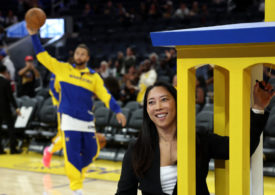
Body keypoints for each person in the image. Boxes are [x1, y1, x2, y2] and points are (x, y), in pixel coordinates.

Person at [116, 81, 274, 195]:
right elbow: (125, 192)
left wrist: (258, 108)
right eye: (151, 102)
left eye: (164, 99)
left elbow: (240, 149)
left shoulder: (200, 138)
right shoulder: (136, 148)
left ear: (177, 103)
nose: (158, 107)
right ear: (147, 110)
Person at [27, 27, 126, 195]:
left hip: (87, 120)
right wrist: (33, 35)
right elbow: (42, 56)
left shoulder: (93, 76)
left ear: (87, 58)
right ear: (74, 56)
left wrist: (117, 110)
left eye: (83, 54)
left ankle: (75, 174)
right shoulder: (63, 69)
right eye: (77, 53)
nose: (79, 56)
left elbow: (105, 94)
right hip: (68, 119)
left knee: (92, 152)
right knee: (71, 156)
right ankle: (76, 189)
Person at [42, 73, 62, 168]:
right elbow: (53, 90)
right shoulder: (56, 74)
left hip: (75, 108)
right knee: (63, 135)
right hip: (63, 108)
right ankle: (49, 151)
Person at [0, 64, 21, 154]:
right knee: (11, 128)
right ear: (4, 72)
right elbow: (10, 97)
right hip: (5, 108)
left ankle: (0, 150)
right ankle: (13, 149)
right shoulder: (6, 82)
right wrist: (16, 108)